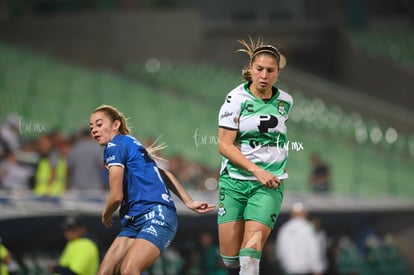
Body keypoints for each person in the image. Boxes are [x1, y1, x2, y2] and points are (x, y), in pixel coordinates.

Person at [89, 104, 216, 275]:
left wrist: (106, 213)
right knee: (104, 272)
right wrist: (189, 202)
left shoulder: (115, 146)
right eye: (91, 127)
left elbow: (116, 196)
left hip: (155, 213)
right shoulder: (130, 143)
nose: (94, 130)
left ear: (116, 124)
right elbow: (163, 173)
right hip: (134, 218)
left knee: (129, 270)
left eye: (99, 124)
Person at [216, 37, 293, 274]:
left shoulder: (286, 102)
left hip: (268, 186)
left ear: (277, 73)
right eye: (259, 69)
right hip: (234, 182)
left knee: (250, 256)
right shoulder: (235, 100)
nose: (264, 75)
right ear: (250, 69)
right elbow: (224, 145)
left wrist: (266, 170)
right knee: (230, 259)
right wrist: (255, 169)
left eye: (271, 70)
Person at [275, 202, 324, 275]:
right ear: (305, 213)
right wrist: (318, 268)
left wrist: (283, 264)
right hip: (306, 269)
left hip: (288, 268)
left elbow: (280, 251)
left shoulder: (285, 228)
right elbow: (313, 248)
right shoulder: (308, 227)